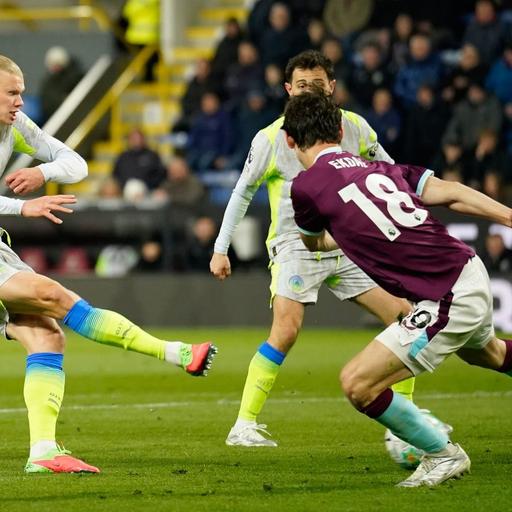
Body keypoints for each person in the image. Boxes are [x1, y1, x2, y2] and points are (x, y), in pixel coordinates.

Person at [0, 55, 217, 474]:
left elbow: (76, 164)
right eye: (12, 93)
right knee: (50, 294)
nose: (20, 101)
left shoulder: (16, 128)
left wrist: (43, 173)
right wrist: (22, 208)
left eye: (22, 92)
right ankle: (174, 352)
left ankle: (42, 452)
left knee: (47, 336)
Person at [284, 91, 512, 487]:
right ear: (340, 131)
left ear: (290, 140)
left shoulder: (306, 186)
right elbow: (453, 191)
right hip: (466, 270)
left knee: (358, 383)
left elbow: (313, 241)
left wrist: (335, 236)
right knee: (490, 354)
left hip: (447, 295)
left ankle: (443, 454)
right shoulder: (384, 169)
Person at [210, 50, 415, 448]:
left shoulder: (354, 127)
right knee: (286, 331)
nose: (309, 92)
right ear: (288, 89)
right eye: (301, 85)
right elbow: (242, 191)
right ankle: (243, 425)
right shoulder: (272, 137)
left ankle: (403, 425)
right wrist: (221, 248)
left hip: (347, 242)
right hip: (295, 245)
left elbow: (389, 173)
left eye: (317, 85)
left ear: (331, 87)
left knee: (406, 318)